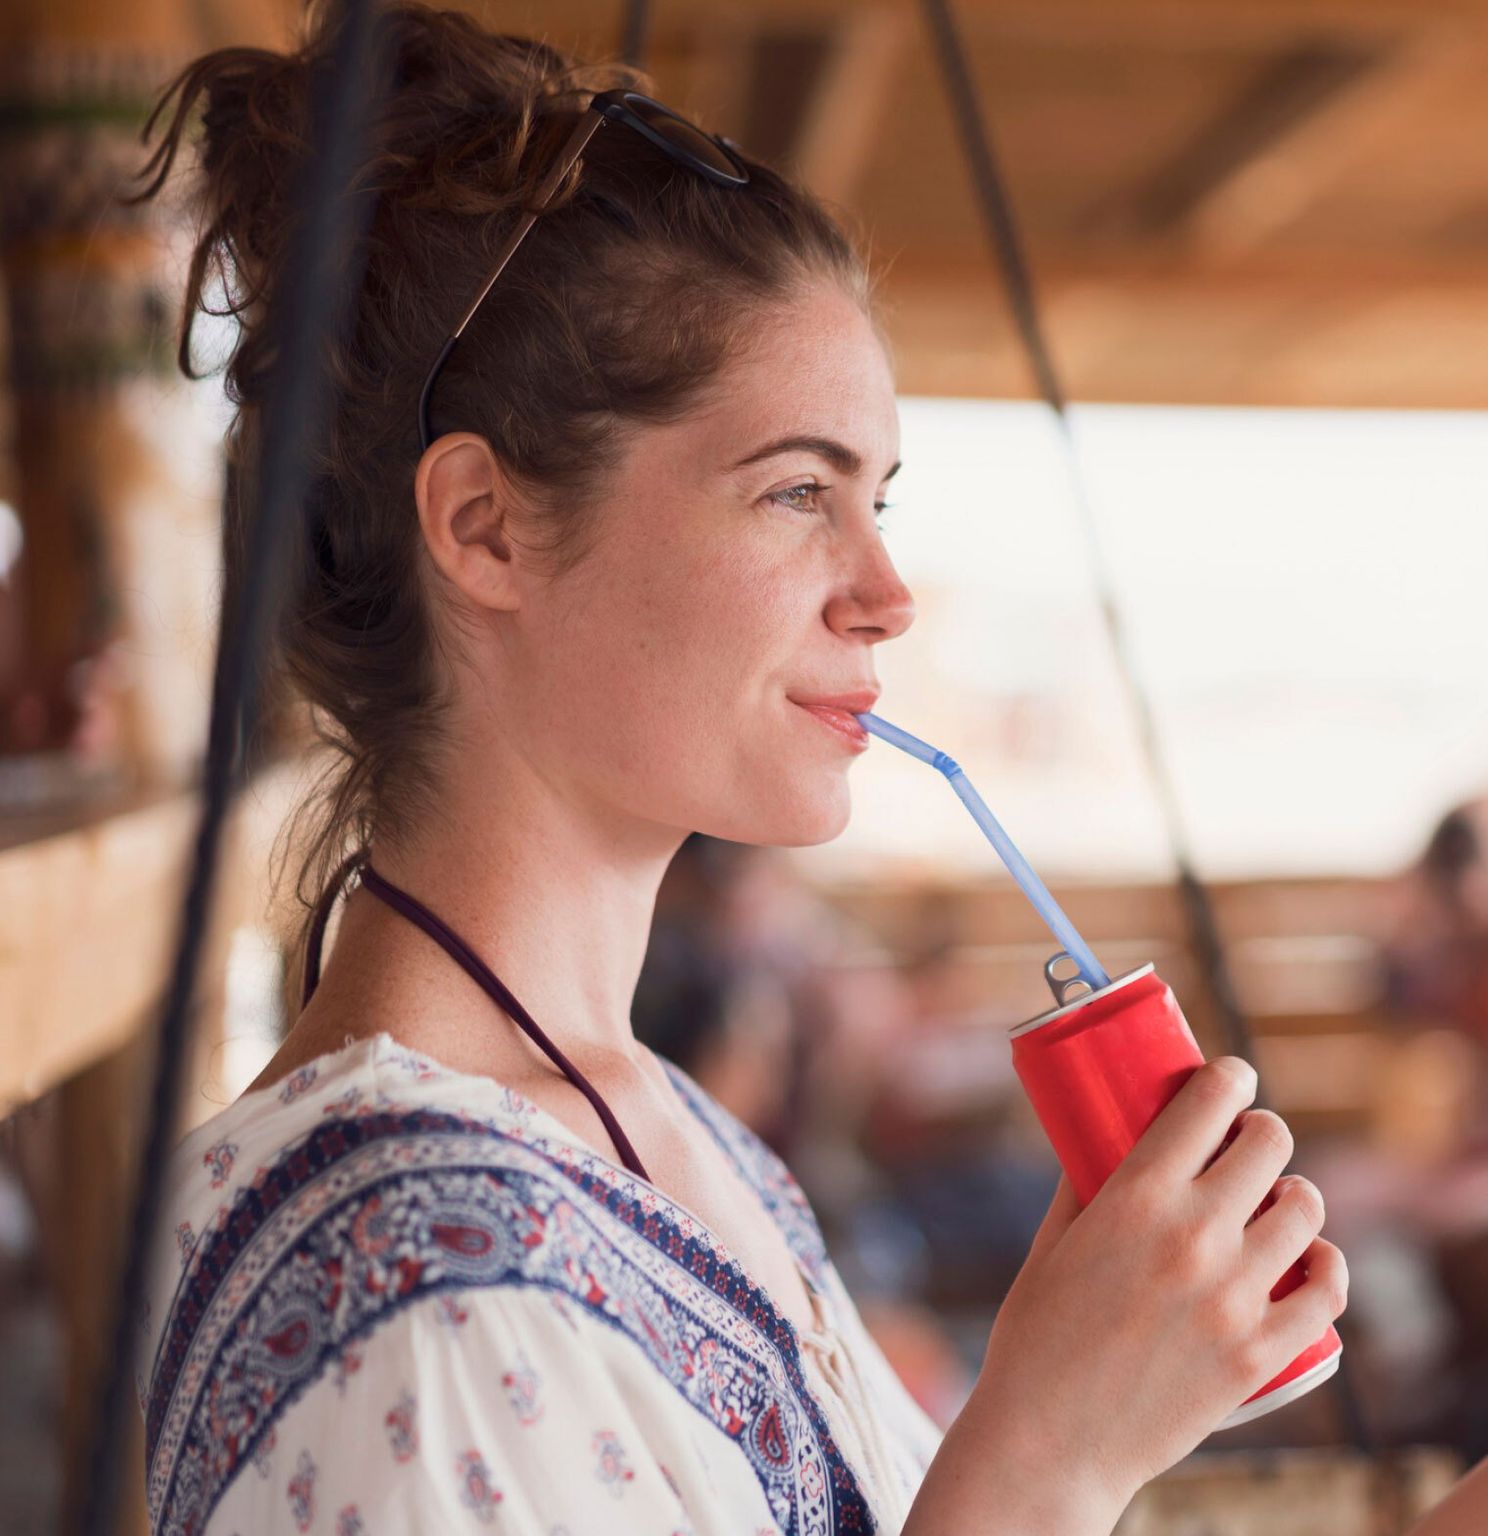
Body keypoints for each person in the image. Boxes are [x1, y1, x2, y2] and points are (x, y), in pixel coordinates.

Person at [131, 6, 1369, 1533]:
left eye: (880, 500)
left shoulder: (673, 1136)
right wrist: (1051, 1452)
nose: (887, 591)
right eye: (798, 490)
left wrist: (1090, 1392)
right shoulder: (407, 1289)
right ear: (484, 528)